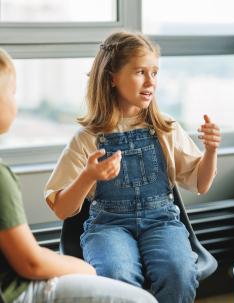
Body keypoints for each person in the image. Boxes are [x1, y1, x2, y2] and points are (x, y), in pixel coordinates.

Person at [44, 31, 221, 303]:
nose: (151, 81)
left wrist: (210, 151)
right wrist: (88, 176)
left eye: (155, 73)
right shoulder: (87, 138)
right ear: (112, 77)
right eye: (140, 72)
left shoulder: (165, 128)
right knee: (116, 276)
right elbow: (62, 209)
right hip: (108, 226)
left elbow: (201, 183)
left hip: (162, 222)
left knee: (179, 273)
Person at [0, 48, 157, 303]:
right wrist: (86, 270)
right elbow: (31, 262)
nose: (15, 101)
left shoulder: (164, 131)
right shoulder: (2, 178)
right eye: (11, 92)